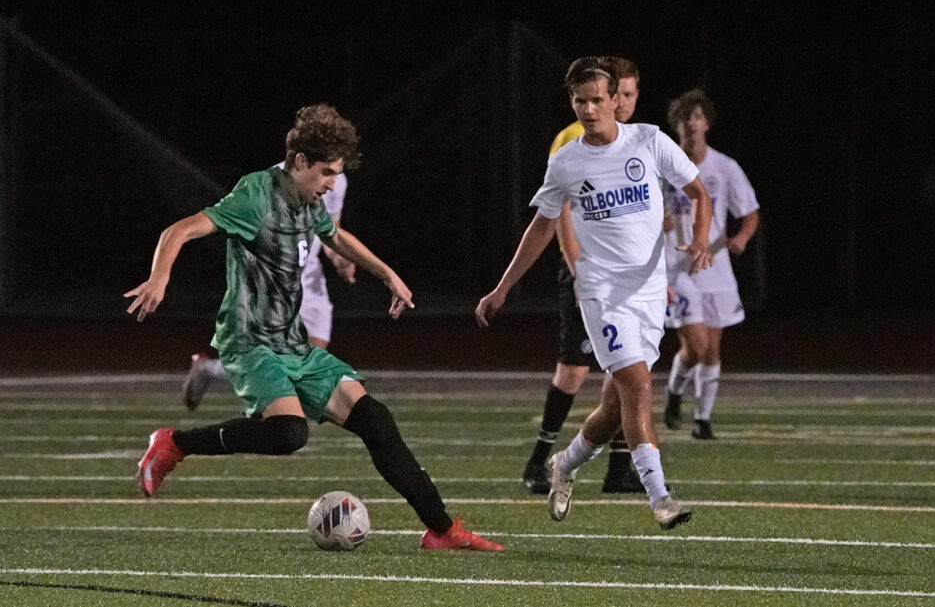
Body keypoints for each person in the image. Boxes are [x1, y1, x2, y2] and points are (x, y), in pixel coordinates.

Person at [125, 104, 503, 551]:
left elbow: (335, 236)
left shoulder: (308, 201)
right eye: (327, 173)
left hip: (293, 342)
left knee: (376, 421)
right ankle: (175, 443)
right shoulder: (255, 195)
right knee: (289, 433)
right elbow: (178, 231)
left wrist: (386, 273)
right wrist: (160, 277)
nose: (331, 184)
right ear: (300, 161)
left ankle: (442, 530)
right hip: (250, 341)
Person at [476, 57, 713, 529]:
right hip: (600, 292)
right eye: (579, 101)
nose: (588, 109)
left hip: (648, 291)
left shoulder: (648, 141)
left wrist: (701, 240)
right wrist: (504, 288)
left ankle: (563, 464)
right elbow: (541, 227)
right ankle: (660, 497)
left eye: (597, 99)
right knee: (640, 387)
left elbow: (699, 194)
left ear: (615, 99)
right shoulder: (566, 161)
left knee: (612, 407)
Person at [521, 56, 644, 496]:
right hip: (587, 274)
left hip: (625, 279)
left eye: (629, 95)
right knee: (574, 370)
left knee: (625, 372)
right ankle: (539, 461)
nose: (625, 103)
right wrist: (579, 272)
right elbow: (560, 214)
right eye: (621, 94)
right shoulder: (575, 140)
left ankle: (619, 469)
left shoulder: (635, 141)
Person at [182, 165, 355, 410]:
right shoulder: (270, 183)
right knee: (275, 362)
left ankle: (211, 370)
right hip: (275, 282)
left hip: (310, 279)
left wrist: (338, 257)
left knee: (308, 362)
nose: (331, 181)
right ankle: (275, 422)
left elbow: (330, 229)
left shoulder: (337, 180)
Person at [662, 89, 760, 440]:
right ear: (677, 125)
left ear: (707, 124)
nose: (691, 123)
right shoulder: (664, 166)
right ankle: (674, 392)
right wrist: (660, 221)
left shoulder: (724, 167)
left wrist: (741, 239)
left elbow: (749, 213)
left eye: (697, 117)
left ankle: (702, 419)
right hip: (678, 268)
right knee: (697, 346)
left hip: (715, 268)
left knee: (713, 349)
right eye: (685, 118)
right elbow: (645, 213)